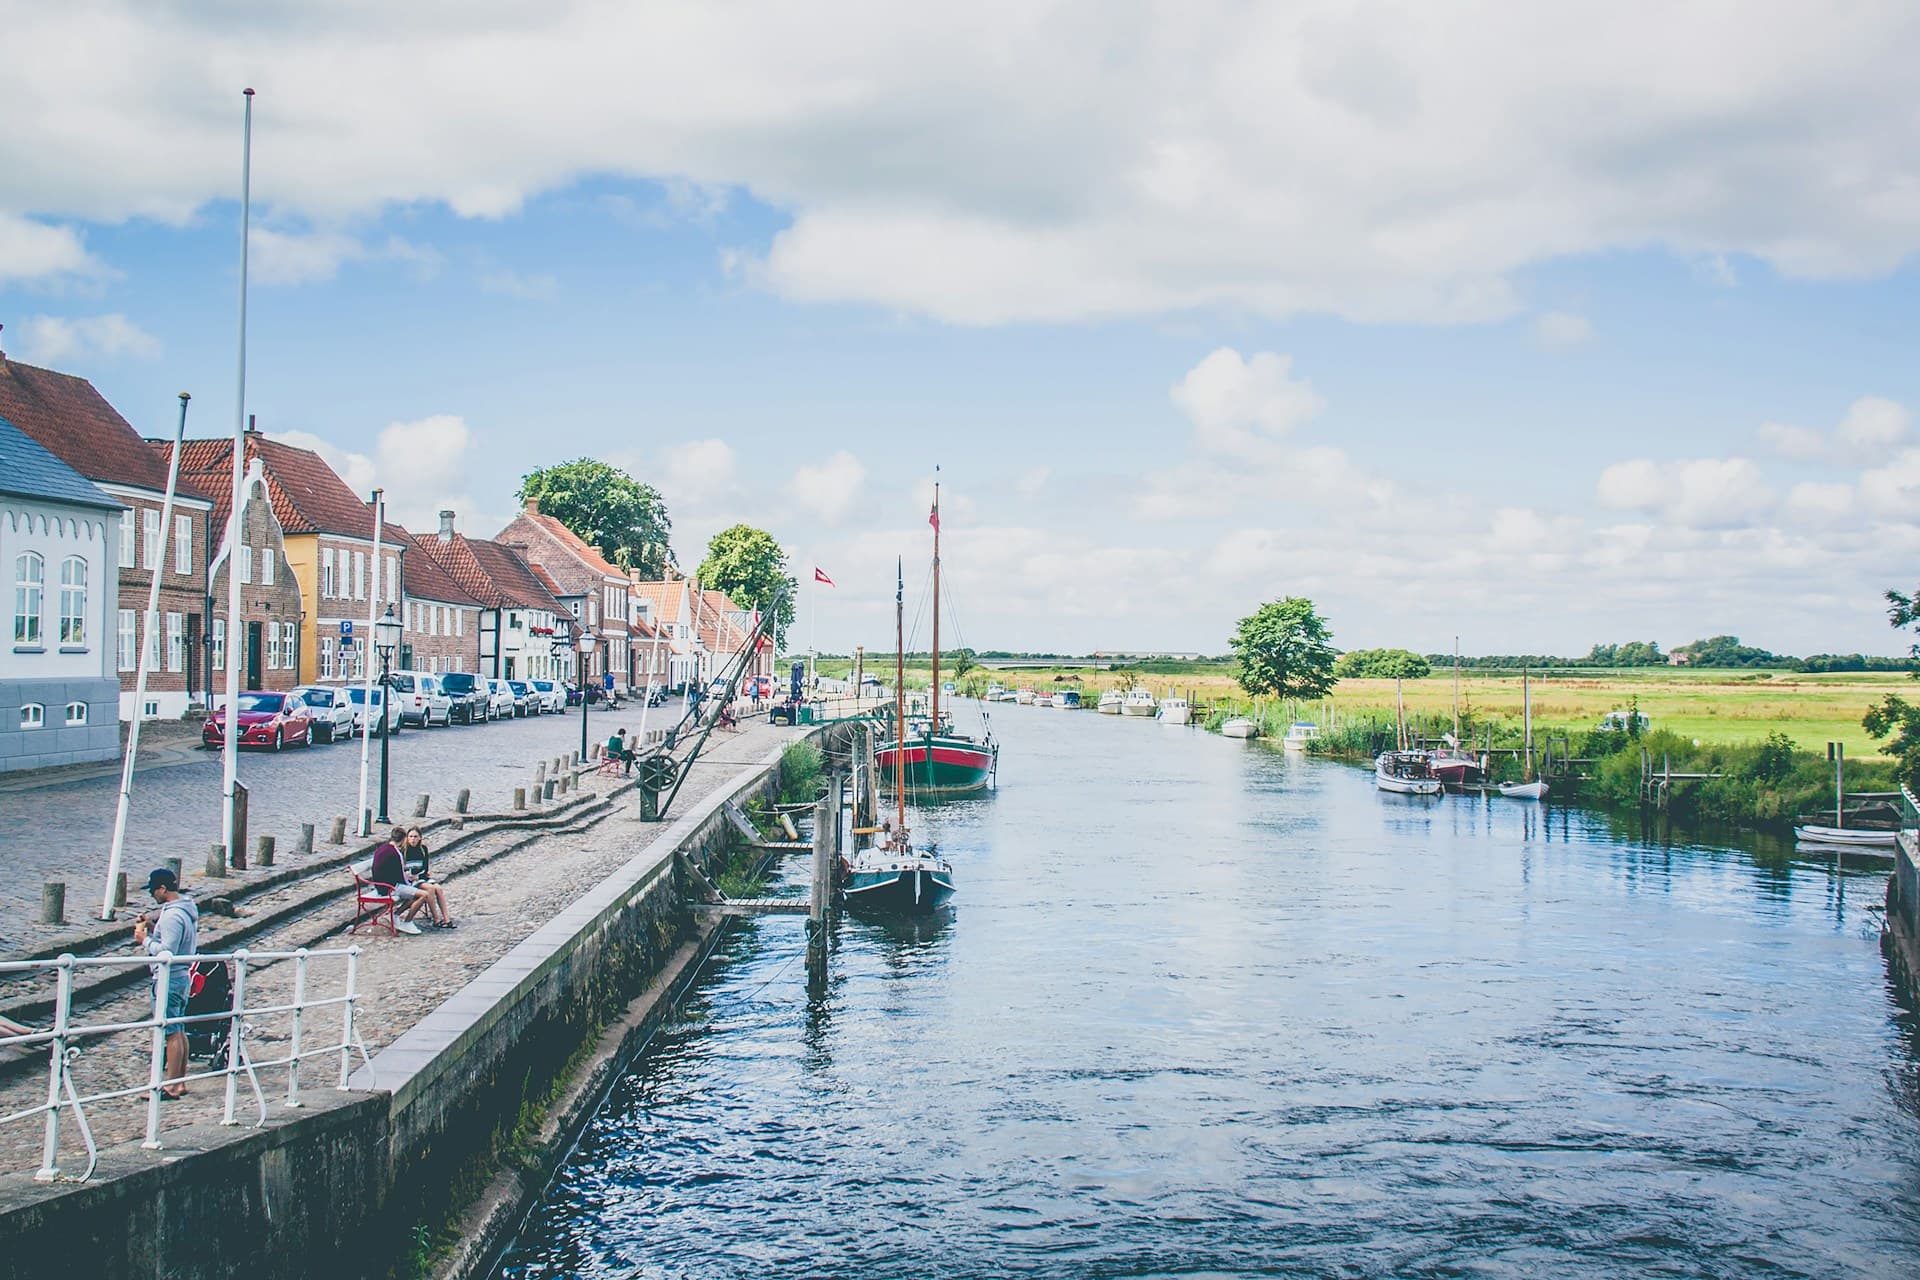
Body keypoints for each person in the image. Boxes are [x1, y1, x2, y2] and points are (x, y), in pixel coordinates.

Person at [132, 868, 199, 1098]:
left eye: (153, 890)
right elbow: (174, 940)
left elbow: (167, 951)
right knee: (178, 1029)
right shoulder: (185, 910)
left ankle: (171, 1085)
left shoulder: (172, 916)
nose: (152, 895)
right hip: (182, 976)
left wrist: (145, 940)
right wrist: (152, 927)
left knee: (170, 1032)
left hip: (169, 978)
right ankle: (179, 1082)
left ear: (162, 889)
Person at [369, 828, 427, 934]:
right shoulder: (395, 853)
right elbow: (401, 877)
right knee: (423, 894)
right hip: (390, 887)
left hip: (382, 885)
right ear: (404, 839)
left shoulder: (383, 848)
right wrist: (411, 883)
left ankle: (395, 915)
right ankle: (406, 921)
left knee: (415, 892)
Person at [399, 827, 454, 928]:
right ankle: (436, 919)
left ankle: (447, 919)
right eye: (410, 836)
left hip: (420, 878)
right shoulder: (403, 851)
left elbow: (425, 868)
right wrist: (410, 876)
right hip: (409, 881)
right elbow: (401, 870)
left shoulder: (423, 849)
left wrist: (418, 876)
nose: (413, 839)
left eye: (415, 837)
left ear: (420, 838)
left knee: (438, 888)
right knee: (431, 888)